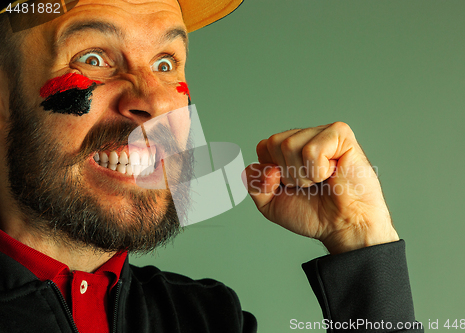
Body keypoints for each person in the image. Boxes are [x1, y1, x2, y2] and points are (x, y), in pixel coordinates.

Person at [0, 0, 423, 332]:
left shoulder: (210, 318)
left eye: (166, 64)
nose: (158, 102)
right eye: (93, 58)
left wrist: (360, 241)